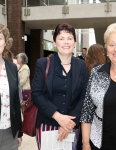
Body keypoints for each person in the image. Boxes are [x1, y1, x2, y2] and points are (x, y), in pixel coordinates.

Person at [32, 22, 89, 150]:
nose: (66, 42)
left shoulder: (81, 66)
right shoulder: (43, 63)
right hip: (47, 123)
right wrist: (57, 116)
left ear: (75, 42)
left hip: (71, 125)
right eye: (61, 38)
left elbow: (85, 96)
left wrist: (69, 123)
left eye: (69, 38)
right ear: (54, 42)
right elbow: (36, 94)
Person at [80, 23, 116, 150]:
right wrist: (85, 144)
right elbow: (87, 111)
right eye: (112, 44)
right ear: (106, 48)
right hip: (100, 144)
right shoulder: (96, 73)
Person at [0, 21, 22, 150]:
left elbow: (16, 103)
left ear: (5, 42)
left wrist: (19, 132)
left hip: (10, 134)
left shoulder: (12, 67)